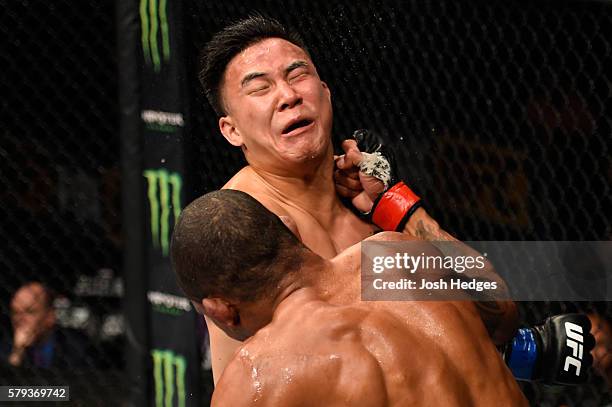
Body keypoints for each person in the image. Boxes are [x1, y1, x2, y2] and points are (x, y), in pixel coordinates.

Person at [198, 14, 519, 382]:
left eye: (297, 75)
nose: (288, 96)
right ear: (231, 130)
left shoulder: (369, 203)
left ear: (325, 92)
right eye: (260, 88)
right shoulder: (242, 228)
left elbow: (499, 316)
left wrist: (399, 208)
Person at [173, 190, 598, 404]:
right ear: (285, 228)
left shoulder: (254, 379)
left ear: (220, 311)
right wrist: (402, 204)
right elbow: (503, 313)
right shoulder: (394, 251)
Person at [4, 282, 90, 369]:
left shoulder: (75, 347)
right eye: (15, 312)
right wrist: (17, 353)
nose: (19, 319)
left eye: (30, 312)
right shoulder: (6, 349)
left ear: (50, 316)